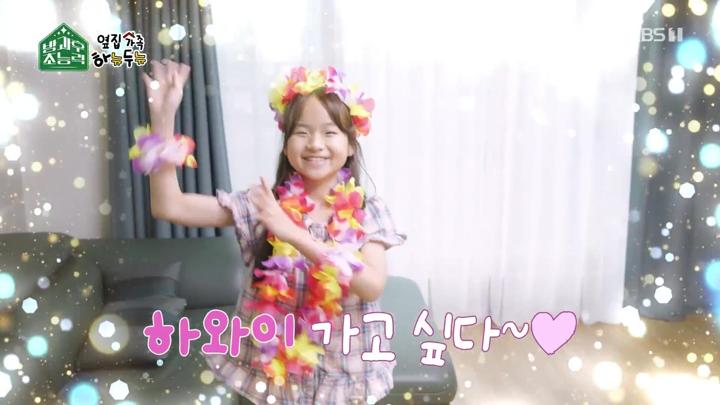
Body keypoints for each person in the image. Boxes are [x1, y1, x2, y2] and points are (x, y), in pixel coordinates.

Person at [137, 59, 406, 404]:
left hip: (346, 378)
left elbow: (371, 284)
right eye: (302, 132)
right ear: (285, 143)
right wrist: (162, 119)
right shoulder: (262, 203)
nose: (315, 143)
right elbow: (169, 206)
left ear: (351, 144)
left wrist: (294, 234)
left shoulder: (368, 209)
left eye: (329, 132)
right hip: (271, 381)